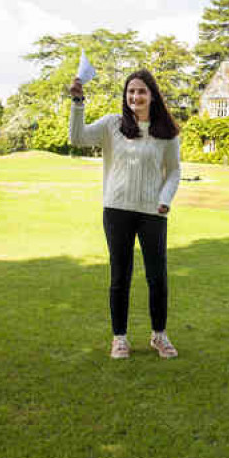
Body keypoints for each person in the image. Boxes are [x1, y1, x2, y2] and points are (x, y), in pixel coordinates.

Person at [69, 70, 181, 360]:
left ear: (152, 95)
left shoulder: (165, 132)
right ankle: (119, 338)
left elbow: (174, 170)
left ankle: (159, 335)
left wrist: (165, 200)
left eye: (141, 91)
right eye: (131, 91)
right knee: (120, 276)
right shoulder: (112, 125)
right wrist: (78, 101)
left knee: (158, 277)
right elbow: (77, 137)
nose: (135, 97)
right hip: (117, 209)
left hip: (152, 212)